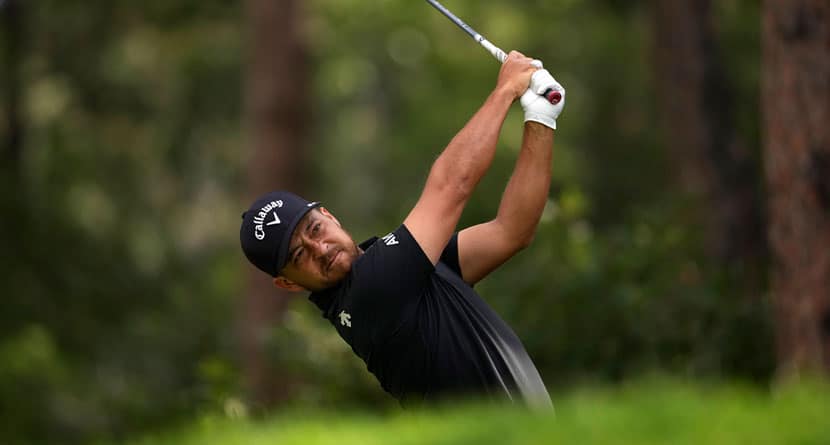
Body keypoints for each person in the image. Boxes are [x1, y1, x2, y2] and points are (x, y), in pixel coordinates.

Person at [240, 51, 565, 408]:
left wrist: (540, 119)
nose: (320, 249)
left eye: (314, 229)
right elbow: (451, 185)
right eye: (299, 255)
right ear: (287, 283)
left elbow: (511, 231)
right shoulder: (371, 289)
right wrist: (505, 90)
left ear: (329, 216)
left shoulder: (401, 274)